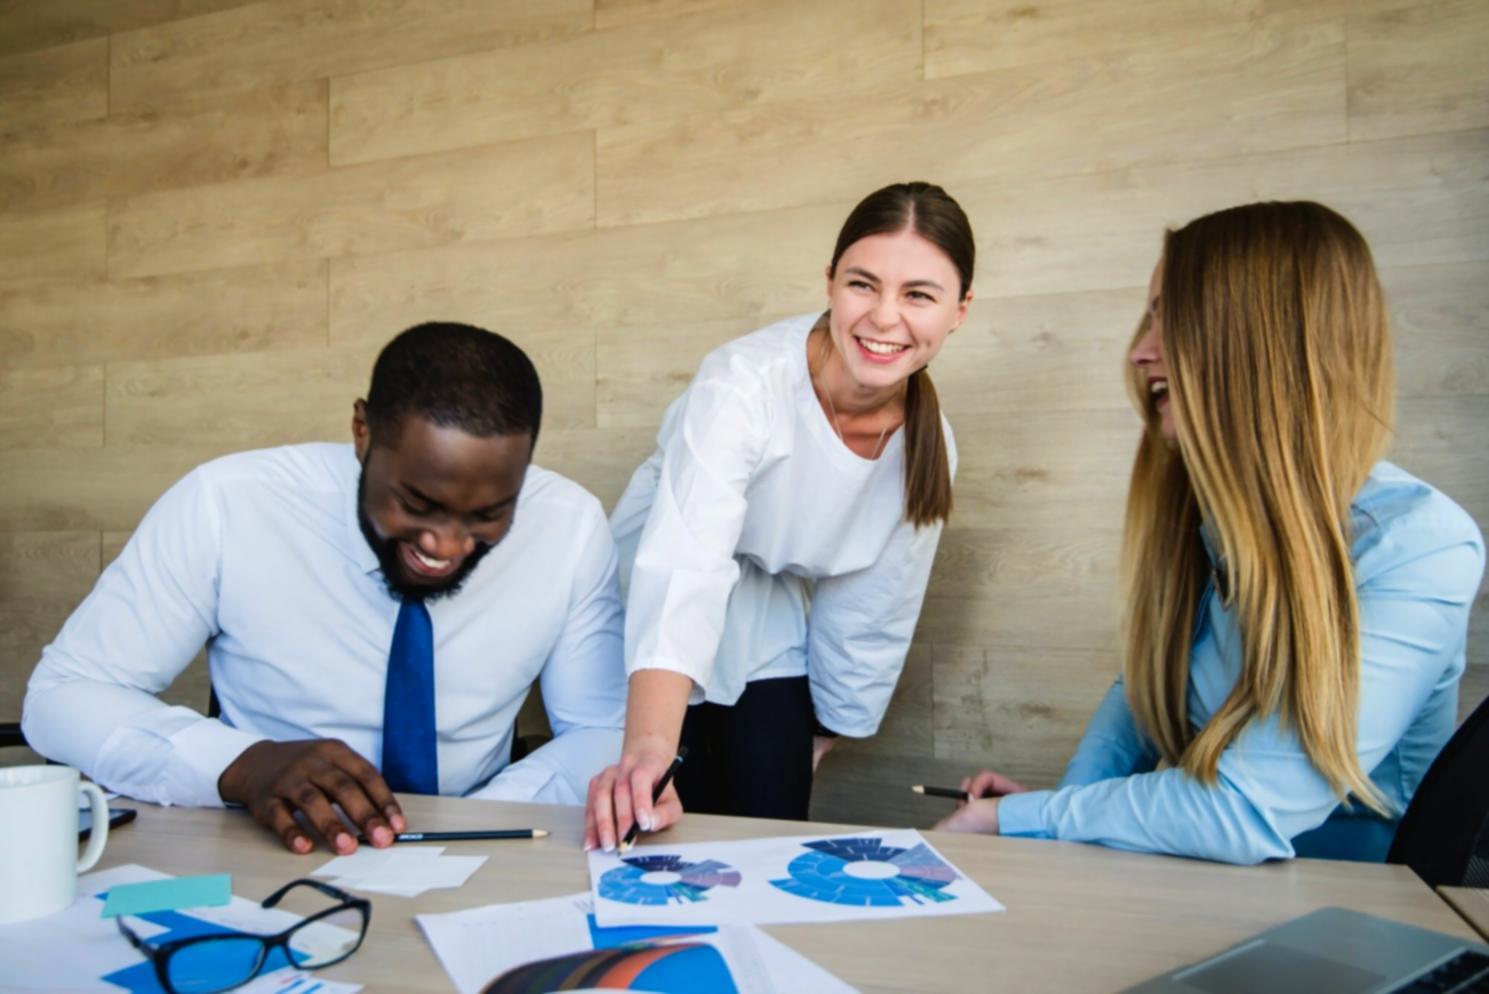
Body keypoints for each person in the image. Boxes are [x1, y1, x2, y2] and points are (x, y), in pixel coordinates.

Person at [936, 201, 1484, 863]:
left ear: (1260, 338)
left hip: (1349, 909)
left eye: (1170, 316)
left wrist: (1028, 818)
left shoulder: (1419, 545)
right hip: (1208, 883)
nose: (1139, 352)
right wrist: (1061, 818)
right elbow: (1139, 692)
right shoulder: (1206, 517)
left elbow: (1244, 810)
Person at [23, 322, 627, 855]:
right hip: (265, 847)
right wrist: (239, 764)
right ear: (362, 432)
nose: (445, 545)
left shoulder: (567, 525)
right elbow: (63, 695)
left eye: (488, 514)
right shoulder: (228, 504)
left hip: (485, 846)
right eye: (416, 503)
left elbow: (602, 729)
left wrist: (495, 807)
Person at [584, 182, 973, 851]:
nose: (884, 318)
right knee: (652, 810)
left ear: (959, 311)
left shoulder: (929, 446)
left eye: (918, 295)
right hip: (657, 580)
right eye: (862, 284)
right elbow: (686, 562)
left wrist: (817, 735)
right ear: (828, 283)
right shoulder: (741, 384)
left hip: (769, 611)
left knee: (767, 815)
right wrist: (649, 749)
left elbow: (874, 608)